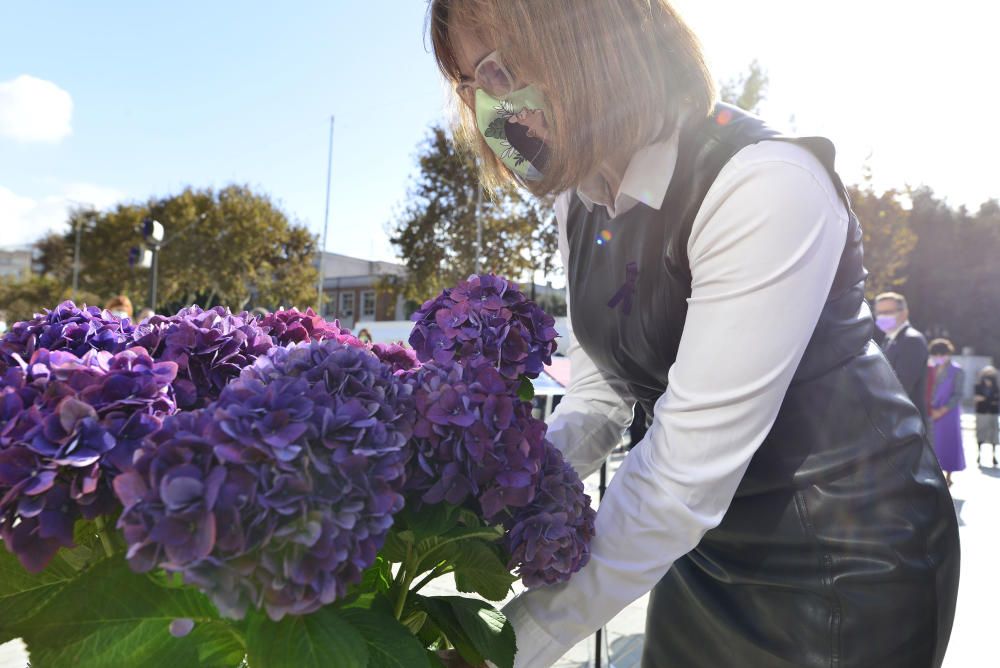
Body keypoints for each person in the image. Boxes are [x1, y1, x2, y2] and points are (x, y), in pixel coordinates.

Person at [428, 2, 959, 667]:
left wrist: (495, 649)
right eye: (470, 85)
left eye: (500, 68)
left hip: (846, 562)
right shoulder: (581, 198)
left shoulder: (765, 184)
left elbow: (679, 479)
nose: (489, 109)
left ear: (587, 38)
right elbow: (597, 399)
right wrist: (476, 516)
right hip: (700, 547)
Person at [874, 292, 929, 421]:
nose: (882, 316)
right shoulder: (888, 340)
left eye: (887, 312)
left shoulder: (911, 340)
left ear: (904, 313)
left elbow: (901, 386)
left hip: (905, 423)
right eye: (878, 312)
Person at [926, 339, 966, 487]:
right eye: (935, 354)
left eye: (941, 354)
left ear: (948, 354)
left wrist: (942, 410)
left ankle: (948, 476)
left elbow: (958, 395)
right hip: (931, 411)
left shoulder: (957, 370)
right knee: (932, 443)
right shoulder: (930, 368)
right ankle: (933, 473)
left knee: (949, 443)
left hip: (948, 413)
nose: (939, 357)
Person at [973, 365, 999, 466]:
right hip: (981, 412)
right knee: (980, 433)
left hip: (993, 413)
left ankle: (994, 456)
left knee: (994, 435)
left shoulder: (996, 387)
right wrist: (990, 400)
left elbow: (996, 400)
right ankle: (979, 455)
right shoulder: (978, 386)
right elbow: (977, 398)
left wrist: (985, 399)